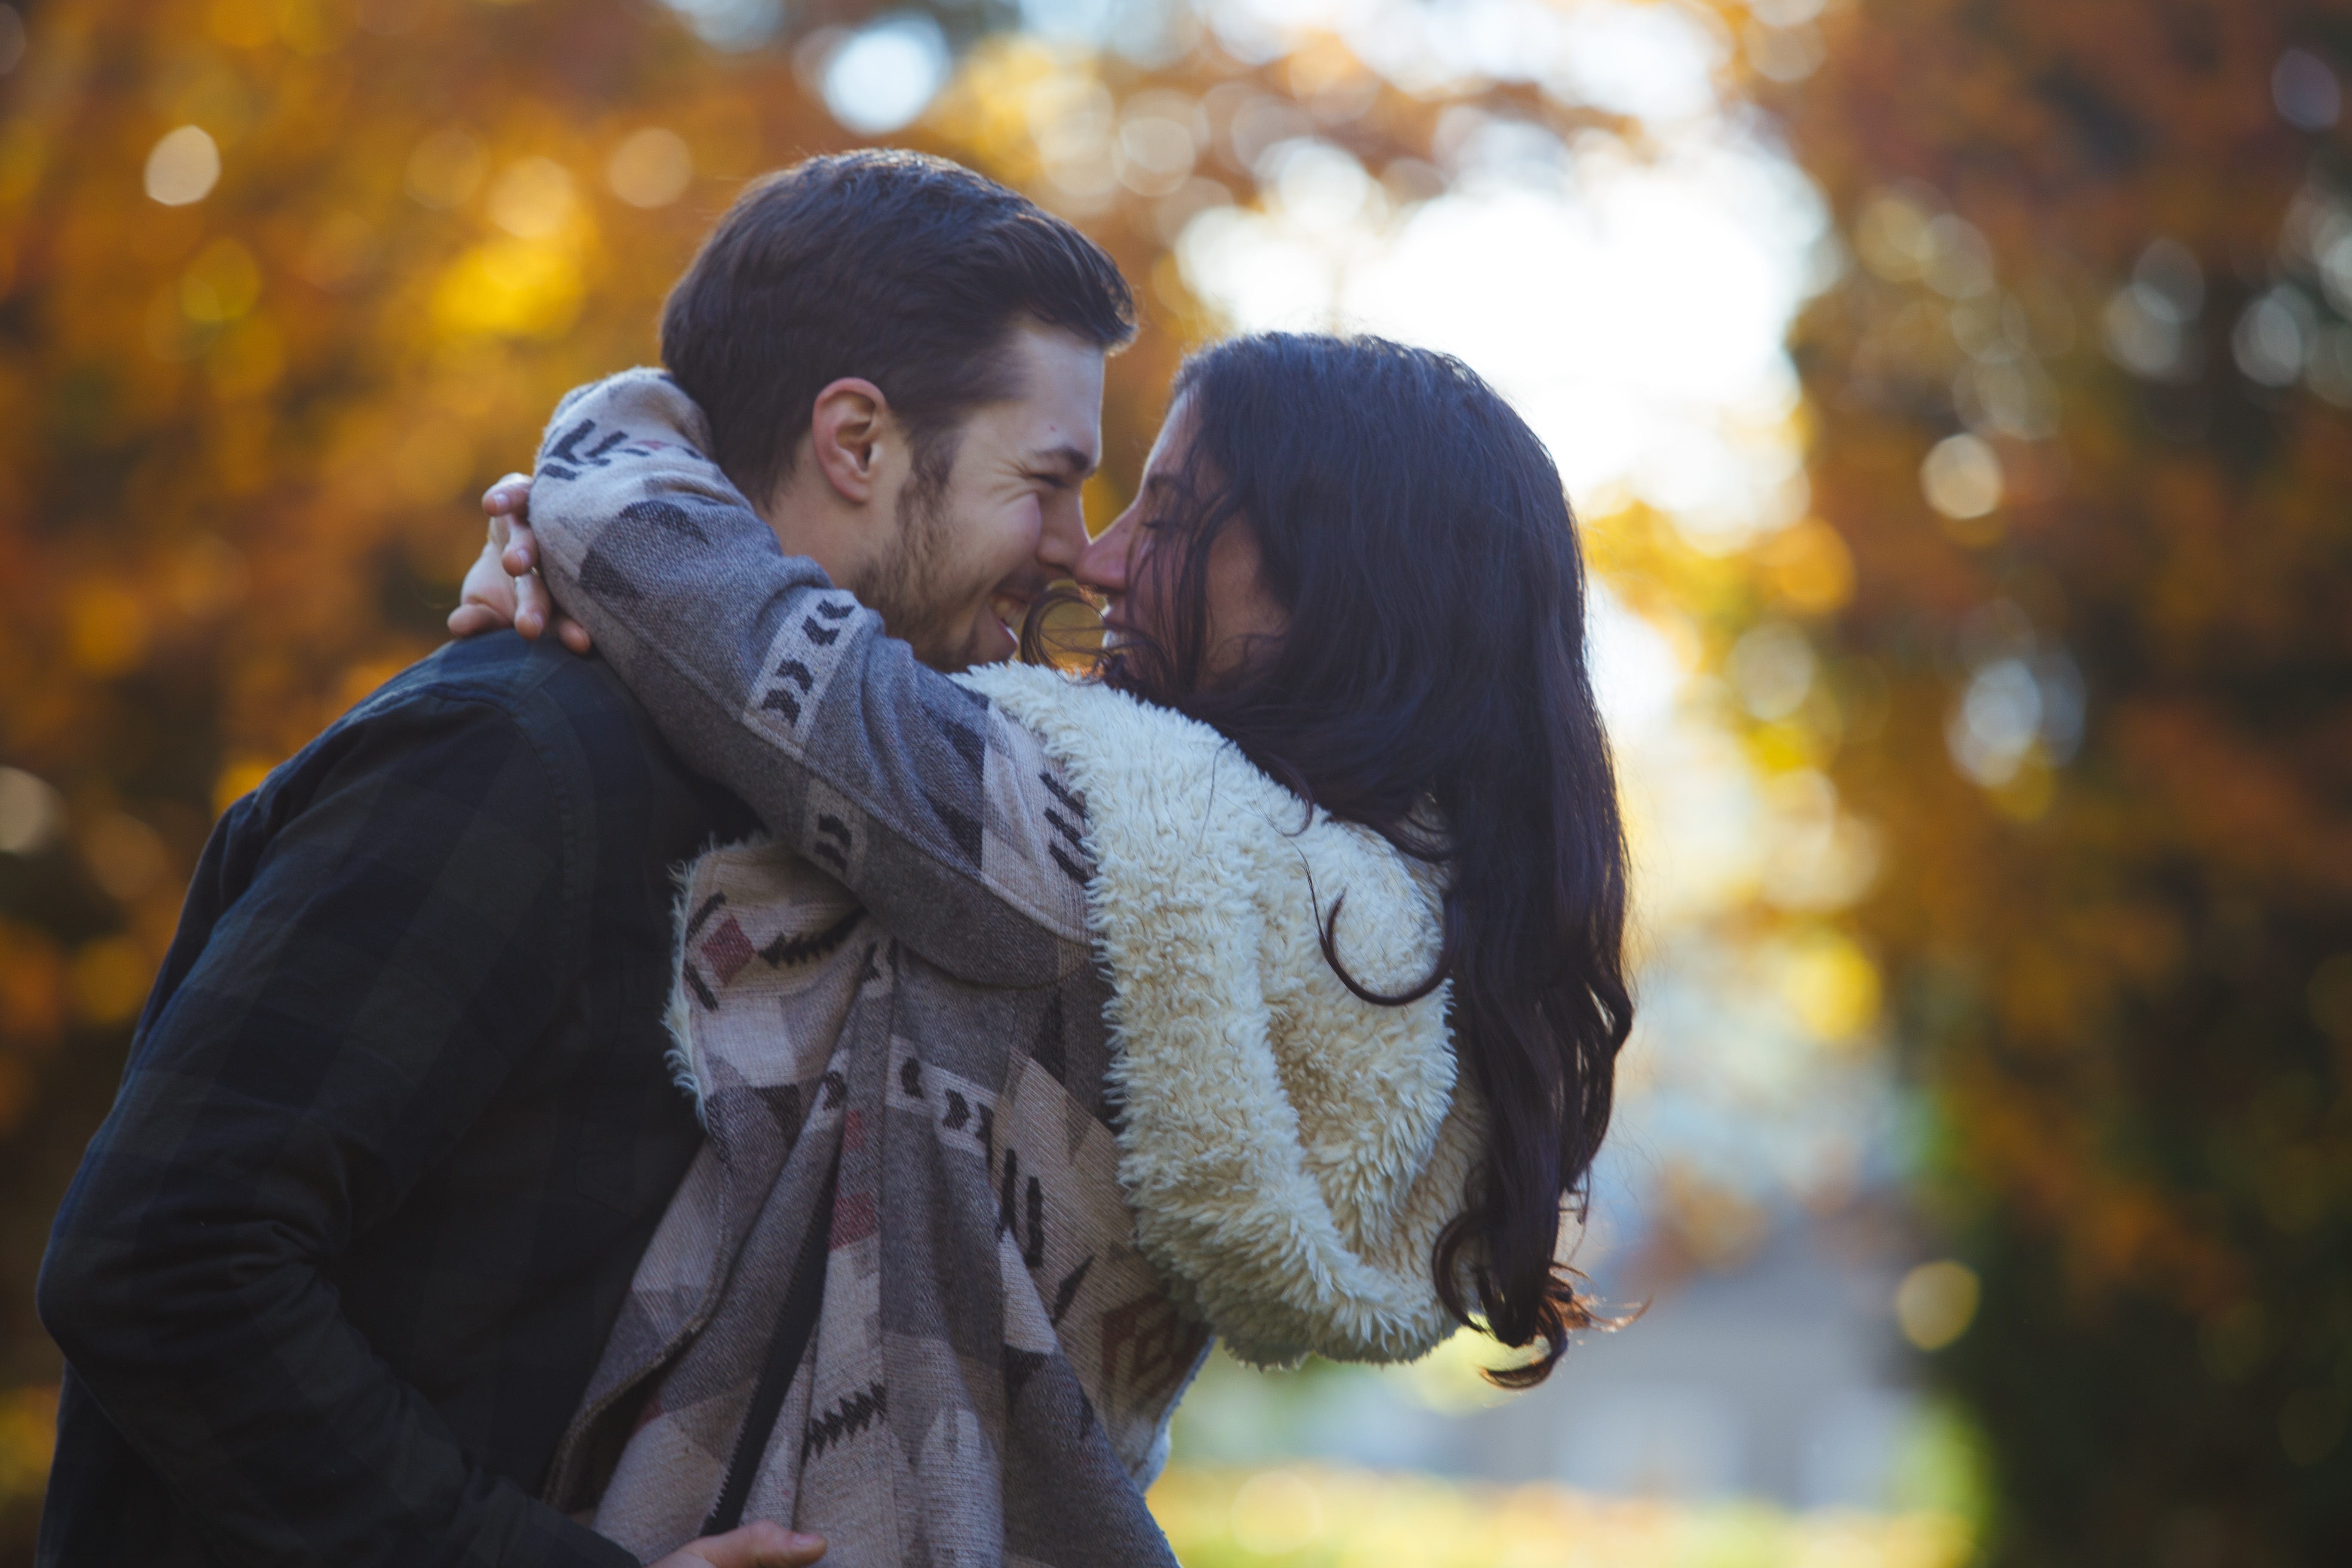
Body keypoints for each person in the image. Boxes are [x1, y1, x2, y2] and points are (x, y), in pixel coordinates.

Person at [33, 150, 1134, 1568]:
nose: (1078, 553)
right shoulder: (515, 759)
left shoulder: (856, 828)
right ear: (856, 442)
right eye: (1048, 483)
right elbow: (163, 1261)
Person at [461, 329, 1633, 1565]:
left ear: (1343, 593)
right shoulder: (1371, 941)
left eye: (1173, 521)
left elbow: (688, 589)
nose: (1106, 559)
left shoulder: (1104, 851)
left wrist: (618, 438)